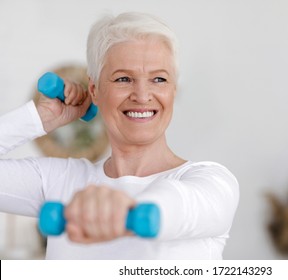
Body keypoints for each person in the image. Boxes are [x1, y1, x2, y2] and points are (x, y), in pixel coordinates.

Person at [0, 12, 239, 259]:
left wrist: (128, 211)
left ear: (173, 90)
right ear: (95, 90)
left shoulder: (213, 183)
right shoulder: (60, 181)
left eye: (159, 79)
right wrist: (38, 118)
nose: (142, 95)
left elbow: (178, 205)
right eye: (123, 79)